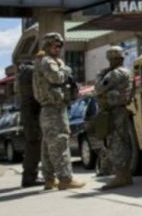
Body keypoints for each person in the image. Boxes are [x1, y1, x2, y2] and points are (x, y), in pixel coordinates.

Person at [32, 33, 85, 190]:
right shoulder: (48, 61)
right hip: (54, 109)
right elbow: (56, 77)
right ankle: (65, 179)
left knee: (48, 146)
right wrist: (66, 69)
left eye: (59, 46)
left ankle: (49, 179)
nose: (57, 49)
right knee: (60, 142)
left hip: (50, 108)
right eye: (54, 46)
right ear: (47, 46)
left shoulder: (44, 60)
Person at [94, 46, 134, 190]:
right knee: (121, 141)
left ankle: (121, 175)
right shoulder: (125, 71)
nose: (110, 62)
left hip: (115, 111)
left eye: (111, 59)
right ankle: (124, 175)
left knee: (116, 142)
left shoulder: (116, 73)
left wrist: (100, 75)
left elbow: (99, 88)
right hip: (119, 110)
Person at [16, 62, 43, 187]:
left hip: (28, 115)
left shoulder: (23, 77)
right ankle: (29, 177)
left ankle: (30, 175)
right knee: (33, 145)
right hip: (32, 115)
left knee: (32, 145)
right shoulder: (31, 73)